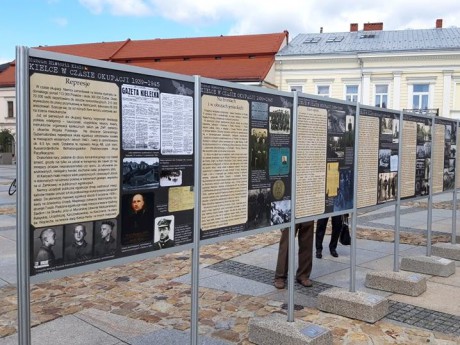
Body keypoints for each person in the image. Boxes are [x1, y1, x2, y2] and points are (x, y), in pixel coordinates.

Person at [274, 221, 314, 289]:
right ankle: (280, 276)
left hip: (308, 211)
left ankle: (303, 275)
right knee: (286, 243)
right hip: (290, 213)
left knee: (307, 243)